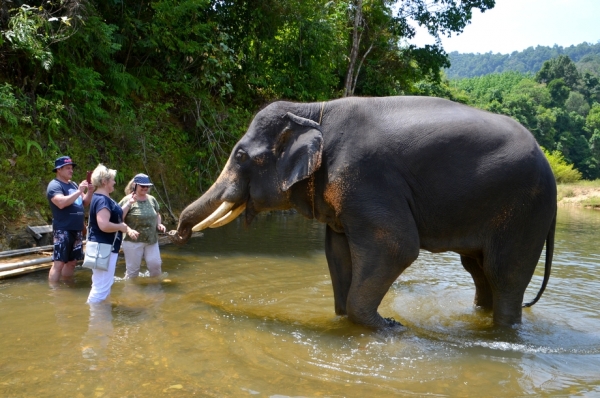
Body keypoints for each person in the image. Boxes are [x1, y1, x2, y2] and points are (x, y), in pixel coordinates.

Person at [87, 164, 139, 304]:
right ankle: (96, 320)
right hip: (103, 247)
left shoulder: (104, 198)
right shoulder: (102, 200)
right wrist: (121, 228)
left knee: (104, 285)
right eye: (112, 180)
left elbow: (116, 216)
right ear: (104, 182)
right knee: (101, 287)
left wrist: (129, 203)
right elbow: (103, 225)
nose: (114, 182)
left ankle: (101, 318)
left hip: (106, 247)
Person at [47, 156, 94, 285]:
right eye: (68, 168)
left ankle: (68, 287)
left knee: (72, 262)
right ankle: (54, 291)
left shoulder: (72, 184)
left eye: (72, 168)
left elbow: (84, 203)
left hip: (77, 229)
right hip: (63, 229)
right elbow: (61, 203)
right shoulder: (54, 185)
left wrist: (89, 192)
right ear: (58, 169)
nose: (71, 170)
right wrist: (79, 191)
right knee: (59, 262)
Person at [119, 173, 166, 279]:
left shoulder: (152, 199)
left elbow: (157, 214)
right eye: (142, 186)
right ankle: (131, 294)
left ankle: (155, 292)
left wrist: (159, 224)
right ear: (135, 185)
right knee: (133, 272)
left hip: (151, 239)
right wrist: (129, 230)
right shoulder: (127, 200)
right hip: (133, 241)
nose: (145, 188)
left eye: (147, 186)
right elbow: (118, 218)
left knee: (156, 266)